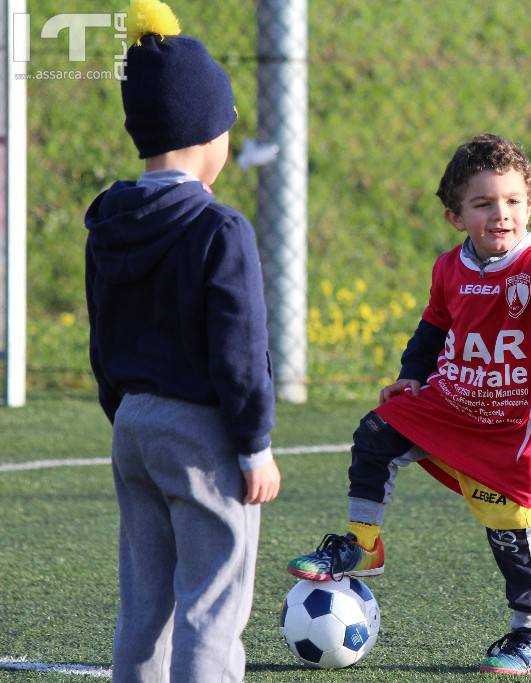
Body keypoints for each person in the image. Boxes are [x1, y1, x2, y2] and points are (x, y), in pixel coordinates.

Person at [287, 133, 531, 675]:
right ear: (456, 216)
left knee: (511, 530)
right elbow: (433, 326)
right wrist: (411, 376)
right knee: (376, 432)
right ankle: (362, 545)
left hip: (509, 430)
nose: (501, 214)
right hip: (448, 406)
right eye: (484, 203)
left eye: (514, 202)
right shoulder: (449, 268)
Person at [84, 1, 280, 680]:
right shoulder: (221, 230)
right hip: (202, 435)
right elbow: (240, 349)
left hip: (133, 425)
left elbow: (100, 327)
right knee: (213, 600)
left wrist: (126, 410)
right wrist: (254, 445)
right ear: (210, 133)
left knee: (145, 601)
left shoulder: (110, 218)